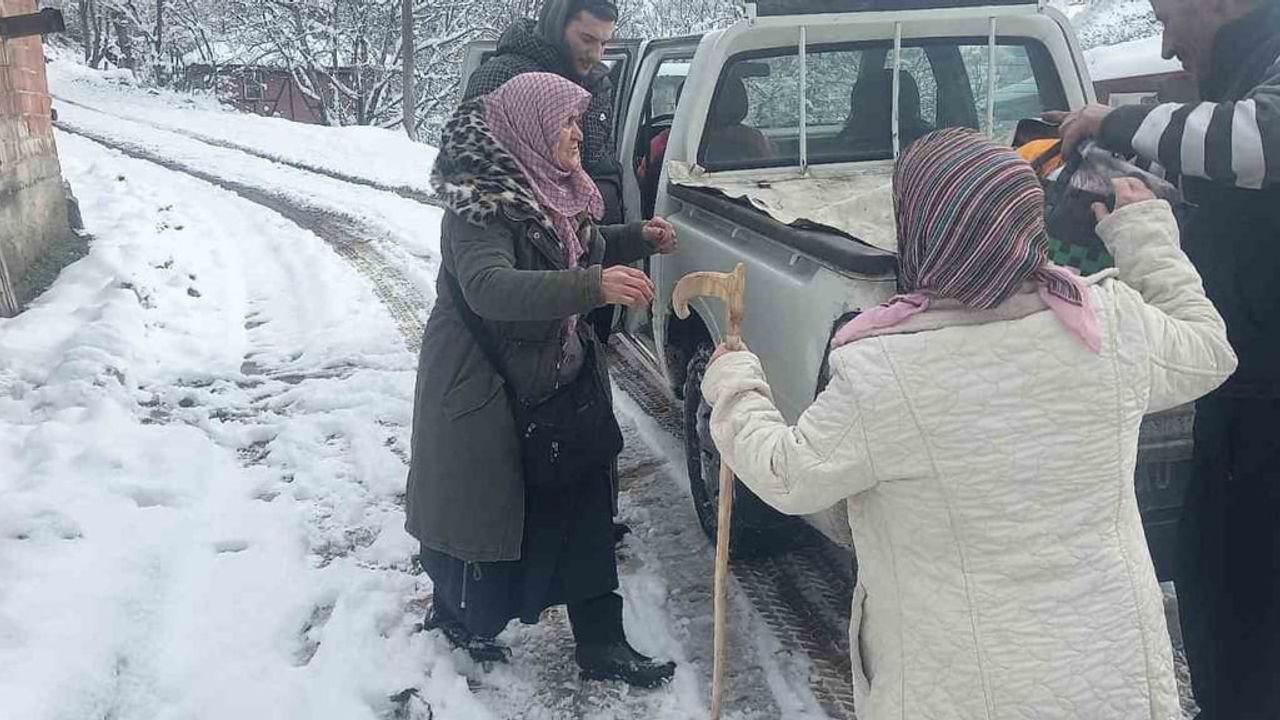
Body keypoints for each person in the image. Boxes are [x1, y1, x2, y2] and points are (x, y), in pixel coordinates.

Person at [701, 128, 1237, 720]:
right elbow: (1209, 350)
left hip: (960, 689)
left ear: (919, 228)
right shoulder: (1108, 326)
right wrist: (1144, 234)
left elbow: (787, 473)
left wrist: (734, 384)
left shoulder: (886, 372)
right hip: (1108, 678)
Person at [404, 72, 678, 688]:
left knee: (584, 504)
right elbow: (489, 288)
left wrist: (636, 240)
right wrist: (593, 286)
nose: (577, 135)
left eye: (579, 122)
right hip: (488, 391)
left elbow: (575, 245)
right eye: (566, 123)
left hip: (558, 377)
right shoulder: (479, 206)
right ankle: (456, 620)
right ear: (528, 128)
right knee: (489, 517)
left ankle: (601, 642)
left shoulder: (554, 189)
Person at [1047, 1, 1280, 716]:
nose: (1165, 37)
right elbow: (1228, 183)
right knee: (1220, 596)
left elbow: (1261, 141)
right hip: (1245, 401)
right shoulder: (1242, 70)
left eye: (1168, 12)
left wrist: (1114, 121)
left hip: (1267, 410)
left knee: (1244, 609)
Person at [464, 0, 626, 350]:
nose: (596, 54)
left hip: (580, 251)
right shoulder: (503, 76)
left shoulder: (597, 84)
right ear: (557, 25)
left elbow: (599, 159)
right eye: (587, 39)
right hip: (526, 255)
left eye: (604, 43)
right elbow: (472, 171)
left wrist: (608, 215)